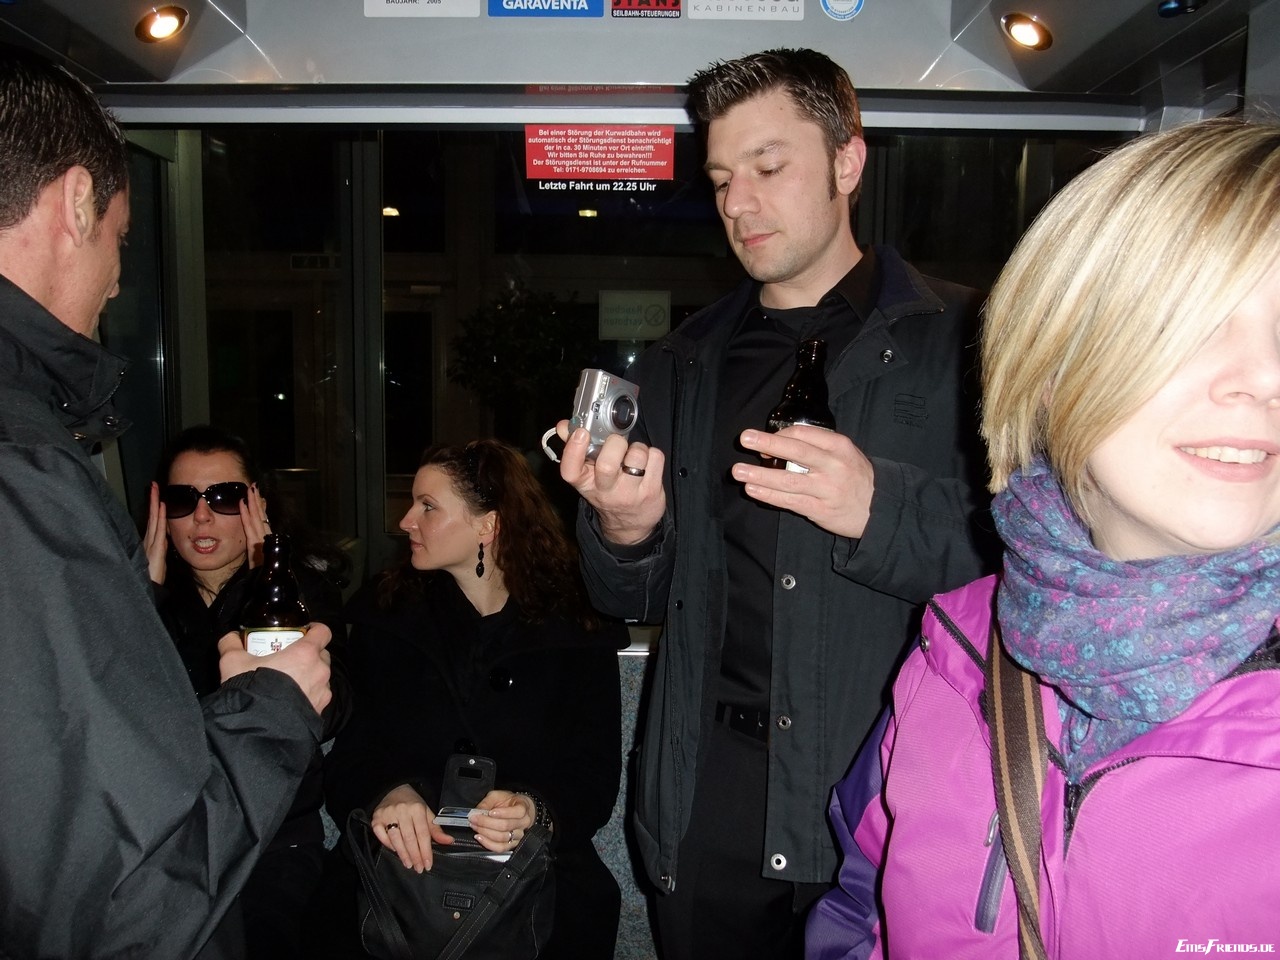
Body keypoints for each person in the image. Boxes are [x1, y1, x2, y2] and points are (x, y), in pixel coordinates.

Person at [555, 47, 995, 960]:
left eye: (767, 167)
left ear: (847, 162)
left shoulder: (972, 341)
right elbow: (632, 596)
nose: (738, 204)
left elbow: (1046, 557)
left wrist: (880, 509)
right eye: (722, 180)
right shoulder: (687, 360)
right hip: (709, 795)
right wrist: (625, 529)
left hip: (898, 787)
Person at [806, 117, 1280, 959]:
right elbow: (861, 905)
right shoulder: (954, 650)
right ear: (1051, 364)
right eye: (1195, 321)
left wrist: (882, 512)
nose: (1267, 379)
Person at [0, 46, 332, 959]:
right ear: (76, 203)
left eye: (224, 495)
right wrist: (272, 706)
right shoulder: (25, 471)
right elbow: (129, 897)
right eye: (120, 235)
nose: (117, 278)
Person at [322, 439, 626, 959]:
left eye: (428, 506)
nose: (405, 521)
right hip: (398, 886)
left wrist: (534, 810)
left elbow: (593, 773)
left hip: (534, 889)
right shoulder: (386, 614)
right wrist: (387, 793)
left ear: (488, 524)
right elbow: (351, 750)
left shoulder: (577, 626)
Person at [145, 425, 352, 959]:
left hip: (274, 832)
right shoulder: (145, 601)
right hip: (166, 838)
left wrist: (267, 582)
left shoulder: (298, 598)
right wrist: (140, 598)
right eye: (183, 499)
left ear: (257, 503)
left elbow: (332, 708)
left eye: (223, 497)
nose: (202, 517)